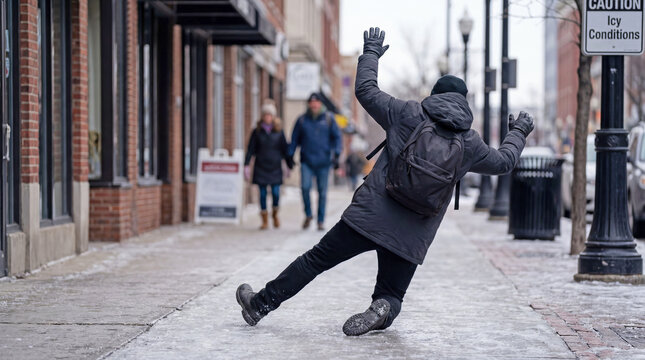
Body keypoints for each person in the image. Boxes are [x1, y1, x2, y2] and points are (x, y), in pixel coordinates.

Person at [236, 28, 534, 336]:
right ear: (464, 102)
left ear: (435, 94)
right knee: (392, 293)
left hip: (369, 216)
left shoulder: (407, 113)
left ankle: (260, 304)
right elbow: (504, 163)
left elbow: (365, 89)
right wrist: (519, 132)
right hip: (412, 233)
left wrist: (371, 53)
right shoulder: (470, 143)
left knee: (315, 260)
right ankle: (381, 308)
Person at [288, 92, 343, 231]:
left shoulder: (329, 119)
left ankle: (320, 220)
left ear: (321, 104)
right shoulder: (302, 120)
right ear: (308, 104)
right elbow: (294, 140)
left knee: (322, 193)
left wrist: (336, 155)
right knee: (305, 188)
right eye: (311, 102)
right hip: (307, 161)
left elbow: (337, 138)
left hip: (324, 162)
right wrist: (290, 155)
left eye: (317, 102)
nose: (314, 104)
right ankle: (308, 215)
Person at [244, 100, 294, 230]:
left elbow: (285, 149)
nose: (267, 117)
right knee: (262, 194)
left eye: (270, 115)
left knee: (276, 193)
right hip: (261, 166)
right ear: (262, 116)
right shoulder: (257, 132)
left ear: (273, 117)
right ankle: (264, 219)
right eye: (265, 115)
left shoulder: (279, 131)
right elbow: (251, 149)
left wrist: (289, 165)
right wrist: (246, 165)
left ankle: (275, 214)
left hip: (275, 166)